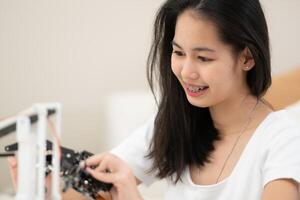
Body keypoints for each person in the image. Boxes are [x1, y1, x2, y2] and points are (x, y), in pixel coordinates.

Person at [8, 0, 300, 199]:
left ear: (247, 57)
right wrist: (45, 188)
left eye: (203, 57)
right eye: (178, 53)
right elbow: (102, 187)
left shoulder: (285, 139)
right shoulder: (175, 121)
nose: (186, 71)